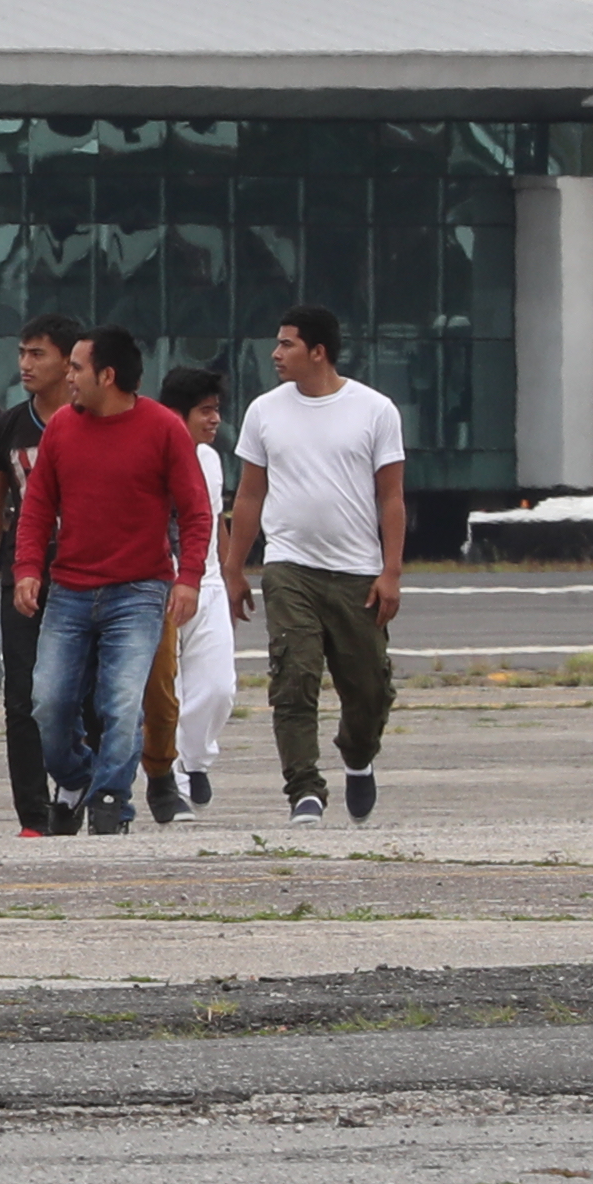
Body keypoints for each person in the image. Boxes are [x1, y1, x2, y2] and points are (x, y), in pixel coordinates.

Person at [16, 326, 209, 836]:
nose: (68, 376)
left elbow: (196, 511)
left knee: (121, 701)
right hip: (71, 589)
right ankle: (79, 778)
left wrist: (188, 577)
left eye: (77, 367)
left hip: (140, 590)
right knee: (48, 703)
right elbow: (37, 506)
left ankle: (110, 798)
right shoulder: (60, 428)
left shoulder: (164, 428)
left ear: (107, 375)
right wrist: (28, 568)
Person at [231, 304, 411, 825]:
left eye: (287, 344)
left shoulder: (375, 410)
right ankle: (304, 789)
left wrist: (392, 571)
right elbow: (249, 494)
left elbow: (392, 497)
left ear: (318, 352)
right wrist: (234, 567)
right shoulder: (265, 411)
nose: (276, 353)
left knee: (369, 689)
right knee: (294, 675)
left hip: (358, 571)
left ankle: (358, 756)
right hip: (290, 567)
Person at [0, 319, 82, 835]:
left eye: (38, 354)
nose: (25, 364)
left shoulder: (94, 421)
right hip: (24, 577)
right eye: (21, 353)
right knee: (23, 696)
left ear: (68, 361)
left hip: (90, 575)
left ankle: (88, 790)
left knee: (92, 696)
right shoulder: (7, 428)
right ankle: (33, 815)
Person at [158, 367, 242, 813]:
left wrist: (230, 578)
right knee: (165, 688)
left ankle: (195, 757)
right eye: (205, 411)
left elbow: (213, 520)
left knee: (219, 687)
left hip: (207, 581)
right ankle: (174, 775)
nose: (215, 420)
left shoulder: (210, 459)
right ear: (177, 414)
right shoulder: (150, 454)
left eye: (217, 410)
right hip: (160, 583)